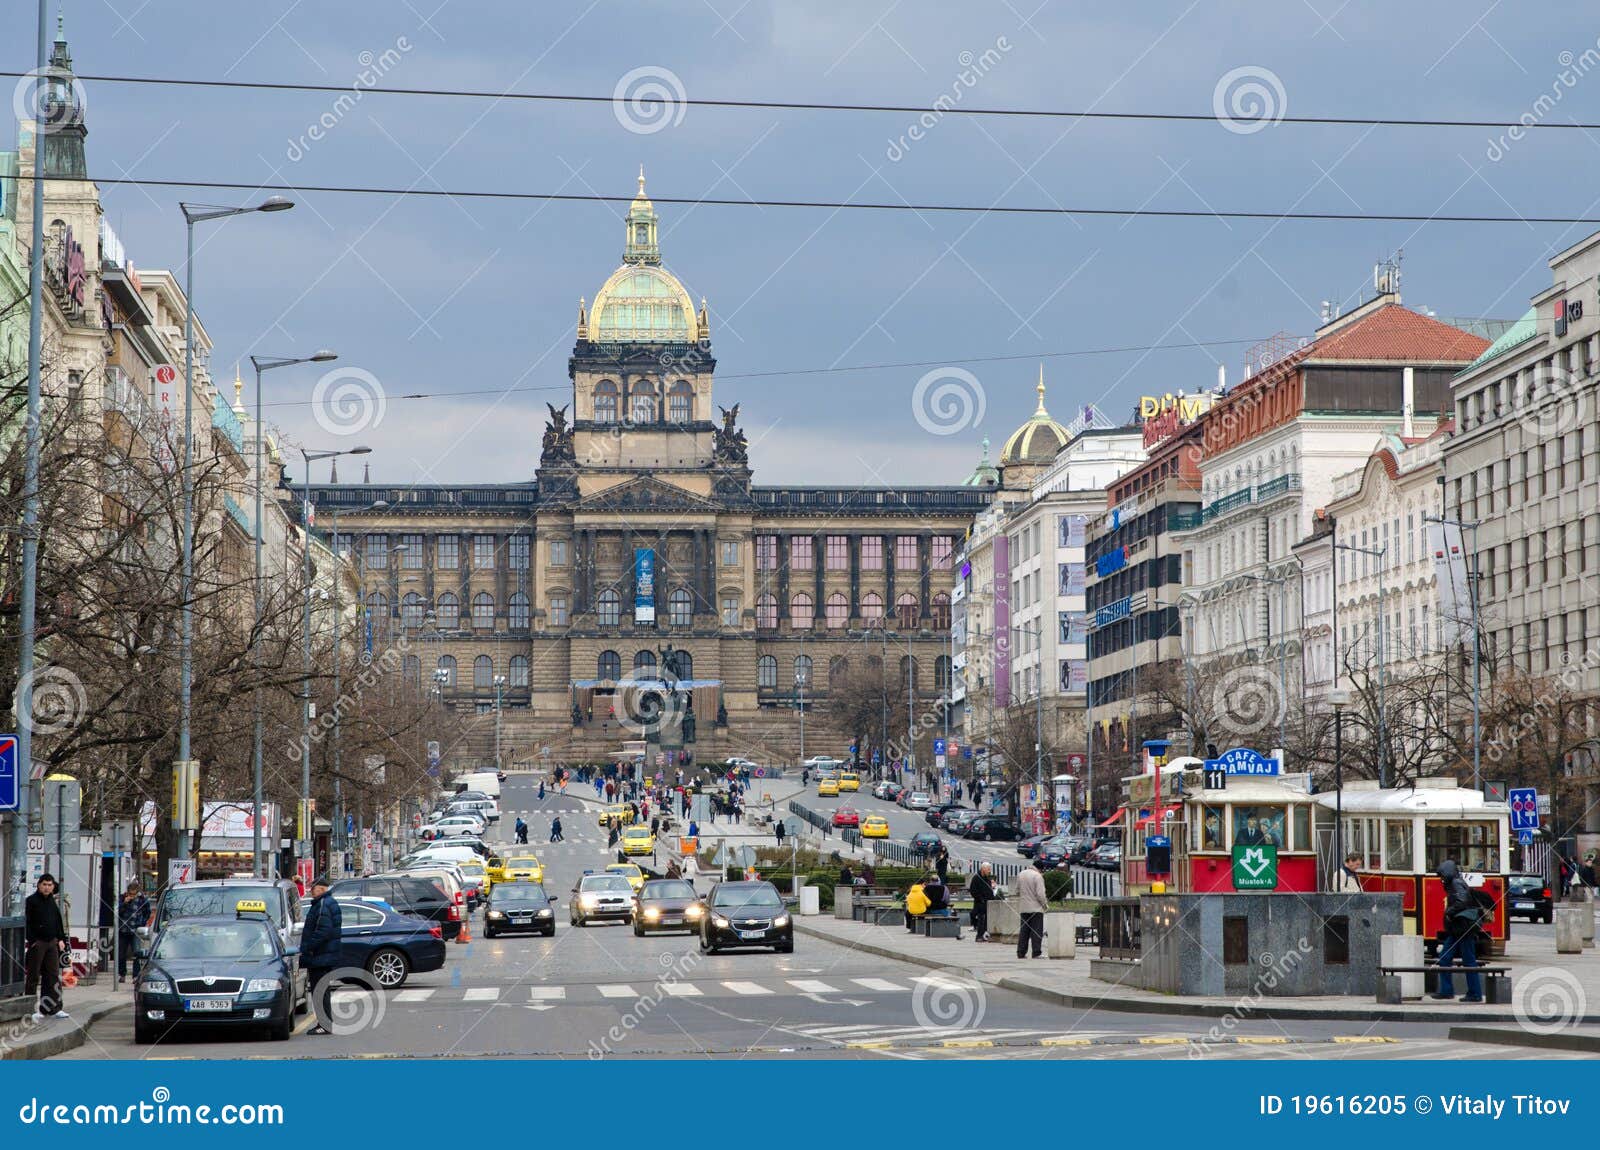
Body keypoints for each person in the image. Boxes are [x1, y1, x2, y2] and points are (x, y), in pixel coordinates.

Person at [1431, 858, 1484, 1003]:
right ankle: (1446, 990)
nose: (1441, 879)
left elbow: (1462, 901)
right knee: (1445, 958)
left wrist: (1450, 912)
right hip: (1457, 929)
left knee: (1468, 960)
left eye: (1442, 876)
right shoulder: (1455, 882)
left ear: (1447, 873)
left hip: (1463, 928)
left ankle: (1474, 993)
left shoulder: (1456, 883)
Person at [300, 876, 343, 1034]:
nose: (311, 891)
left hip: (319, 955)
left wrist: (309, 948)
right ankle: (325, 1023)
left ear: (322, 889)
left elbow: (323, 931)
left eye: (313, 888)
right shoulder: (327, 903)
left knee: (319, 990)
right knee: (322, 989)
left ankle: (324, 1024)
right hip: (324, 955)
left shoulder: (323, 904)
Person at [24, 873, 69, 1020]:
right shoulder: (31, 901)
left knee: (53, 976)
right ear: (39, 885)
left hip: (52, 942)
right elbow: (27, 922)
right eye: (44, 884)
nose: (47, 887)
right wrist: (32, 940)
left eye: (50, 885)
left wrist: (61, 938)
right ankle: (29, 1008)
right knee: (33, 975)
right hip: (38, 943)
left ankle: (52, 1008)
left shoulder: (52, 901)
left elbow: (57, 921)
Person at [117, 880, 151, 979]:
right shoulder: (122, 898)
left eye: (134, 894)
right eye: (130, 894)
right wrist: (125, 903)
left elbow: (147, 912)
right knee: (121, 954)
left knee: (136, 953)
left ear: (137, 893)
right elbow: (117, 912)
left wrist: (142, 923)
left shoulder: (142, 899)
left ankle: (135, 975)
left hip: (135, 930)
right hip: (123, 930)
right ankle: (122, 974)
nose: (132, 896)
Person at [1015, 858, 1049, 959]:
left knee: (1024, 931)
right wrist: (1045, 905)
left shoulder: (1021, 874)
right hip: (1036, 909)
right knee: (1036, 931)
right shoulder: (1037, 876)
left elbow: (1016, 891)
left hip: (1024, 908)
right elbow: (1040, 895)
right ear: (1041, 869)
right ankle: (1036, 952)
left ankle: (1021, 952)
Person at [968, 861, 995, 942]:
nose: (990, 871)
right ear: (983, 869)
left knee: (986, 921)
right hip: (980, 903)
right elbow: (973, 891)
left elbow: (989, 891)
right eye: (988, 869)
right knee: (981, 920)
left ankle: (983, 935)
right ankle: (979, 936)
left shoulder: (987, 879)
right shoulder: (976, 878)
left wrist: (992, 899)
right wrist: (981, 899)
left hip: (987, 903)